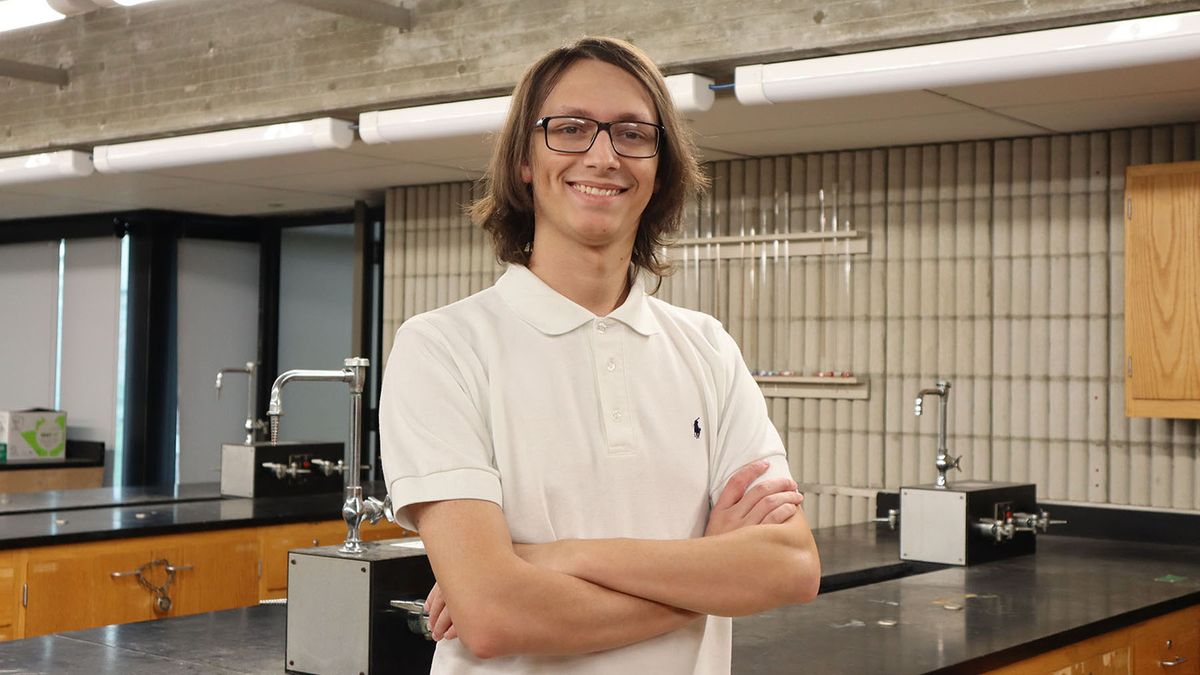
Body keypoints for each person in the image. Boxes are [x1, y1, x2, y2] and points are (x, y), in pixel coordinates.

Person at [379, 36, 820, 674]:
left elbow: (790, 566)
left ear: (659, 168)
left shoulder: (706, 348)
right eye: (571, 129)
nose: (604, 154)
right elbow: (497, 616)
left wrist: (553, 556)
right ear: (524, 161)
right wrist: (708, 574)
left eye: (634, 134)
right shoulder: (443, 348)